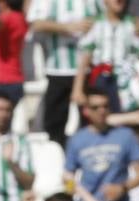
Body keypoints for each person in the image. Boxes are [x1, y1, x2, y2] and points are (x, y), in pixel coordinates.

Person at [28, 0, 99, 147]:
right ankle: (61, 158)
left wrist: (94, 24)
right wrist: (66, 27)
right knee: (54, 123)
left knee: (93, 120)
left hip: (89, 70)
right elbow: (35, 23)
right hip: (57, 69)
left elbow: (107, 15)